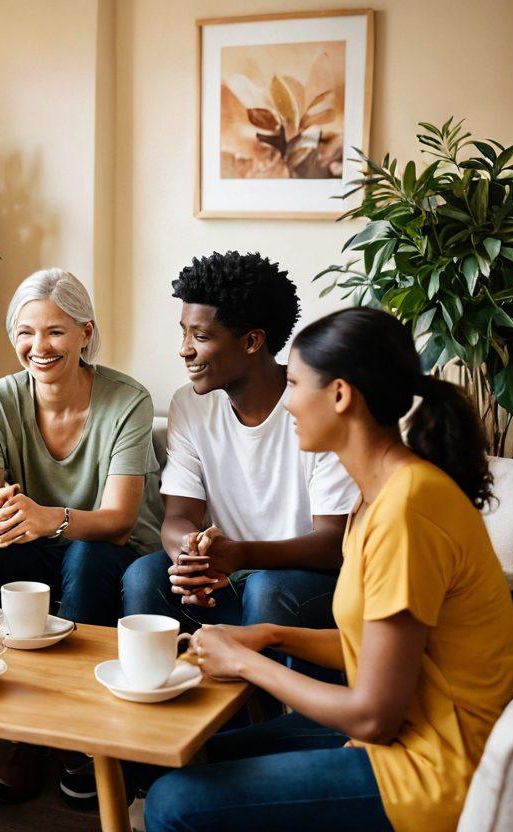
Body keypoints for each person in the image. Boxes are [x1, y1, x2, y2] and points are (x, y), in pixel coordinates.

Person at [146, 307, 513, 832]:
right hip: (404, 736)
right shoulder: (379, 496)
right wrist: (267, 635)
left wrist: (246, 662)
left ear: (340, 395)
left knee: (172, 804)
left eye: (296, 383)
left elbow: (372, 714)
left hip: (434, 769)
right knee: (195, 753)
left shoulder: (408, 508)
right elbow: (374, 646)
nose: (289, 401)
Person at [0, 267, 163, 806]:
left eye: (55, 331)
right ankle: (15, 729)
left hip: (107, 550)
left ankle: (82, 735)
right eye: (25, 332)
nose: (38, 346)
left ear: (85, 333)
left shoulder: (128, 400)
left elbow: (119, 518)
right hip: (32, 543)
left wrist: (52, 518)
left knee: (89, 557)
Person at [121, 252, 356, 675]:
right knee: (144, 575)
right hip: (225, 575)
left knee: (266, 587)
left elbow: (334, 542)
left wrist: (240, 555)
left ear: (251, 341)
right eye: (183, 333)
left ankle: (254, 727)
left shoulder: (318, 407)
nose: (184, 350)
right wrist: (190, 560)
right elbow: (178, 517)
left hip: (303, 581)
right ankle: (158, 709)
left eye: (201, 336)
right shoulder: (190, 405)